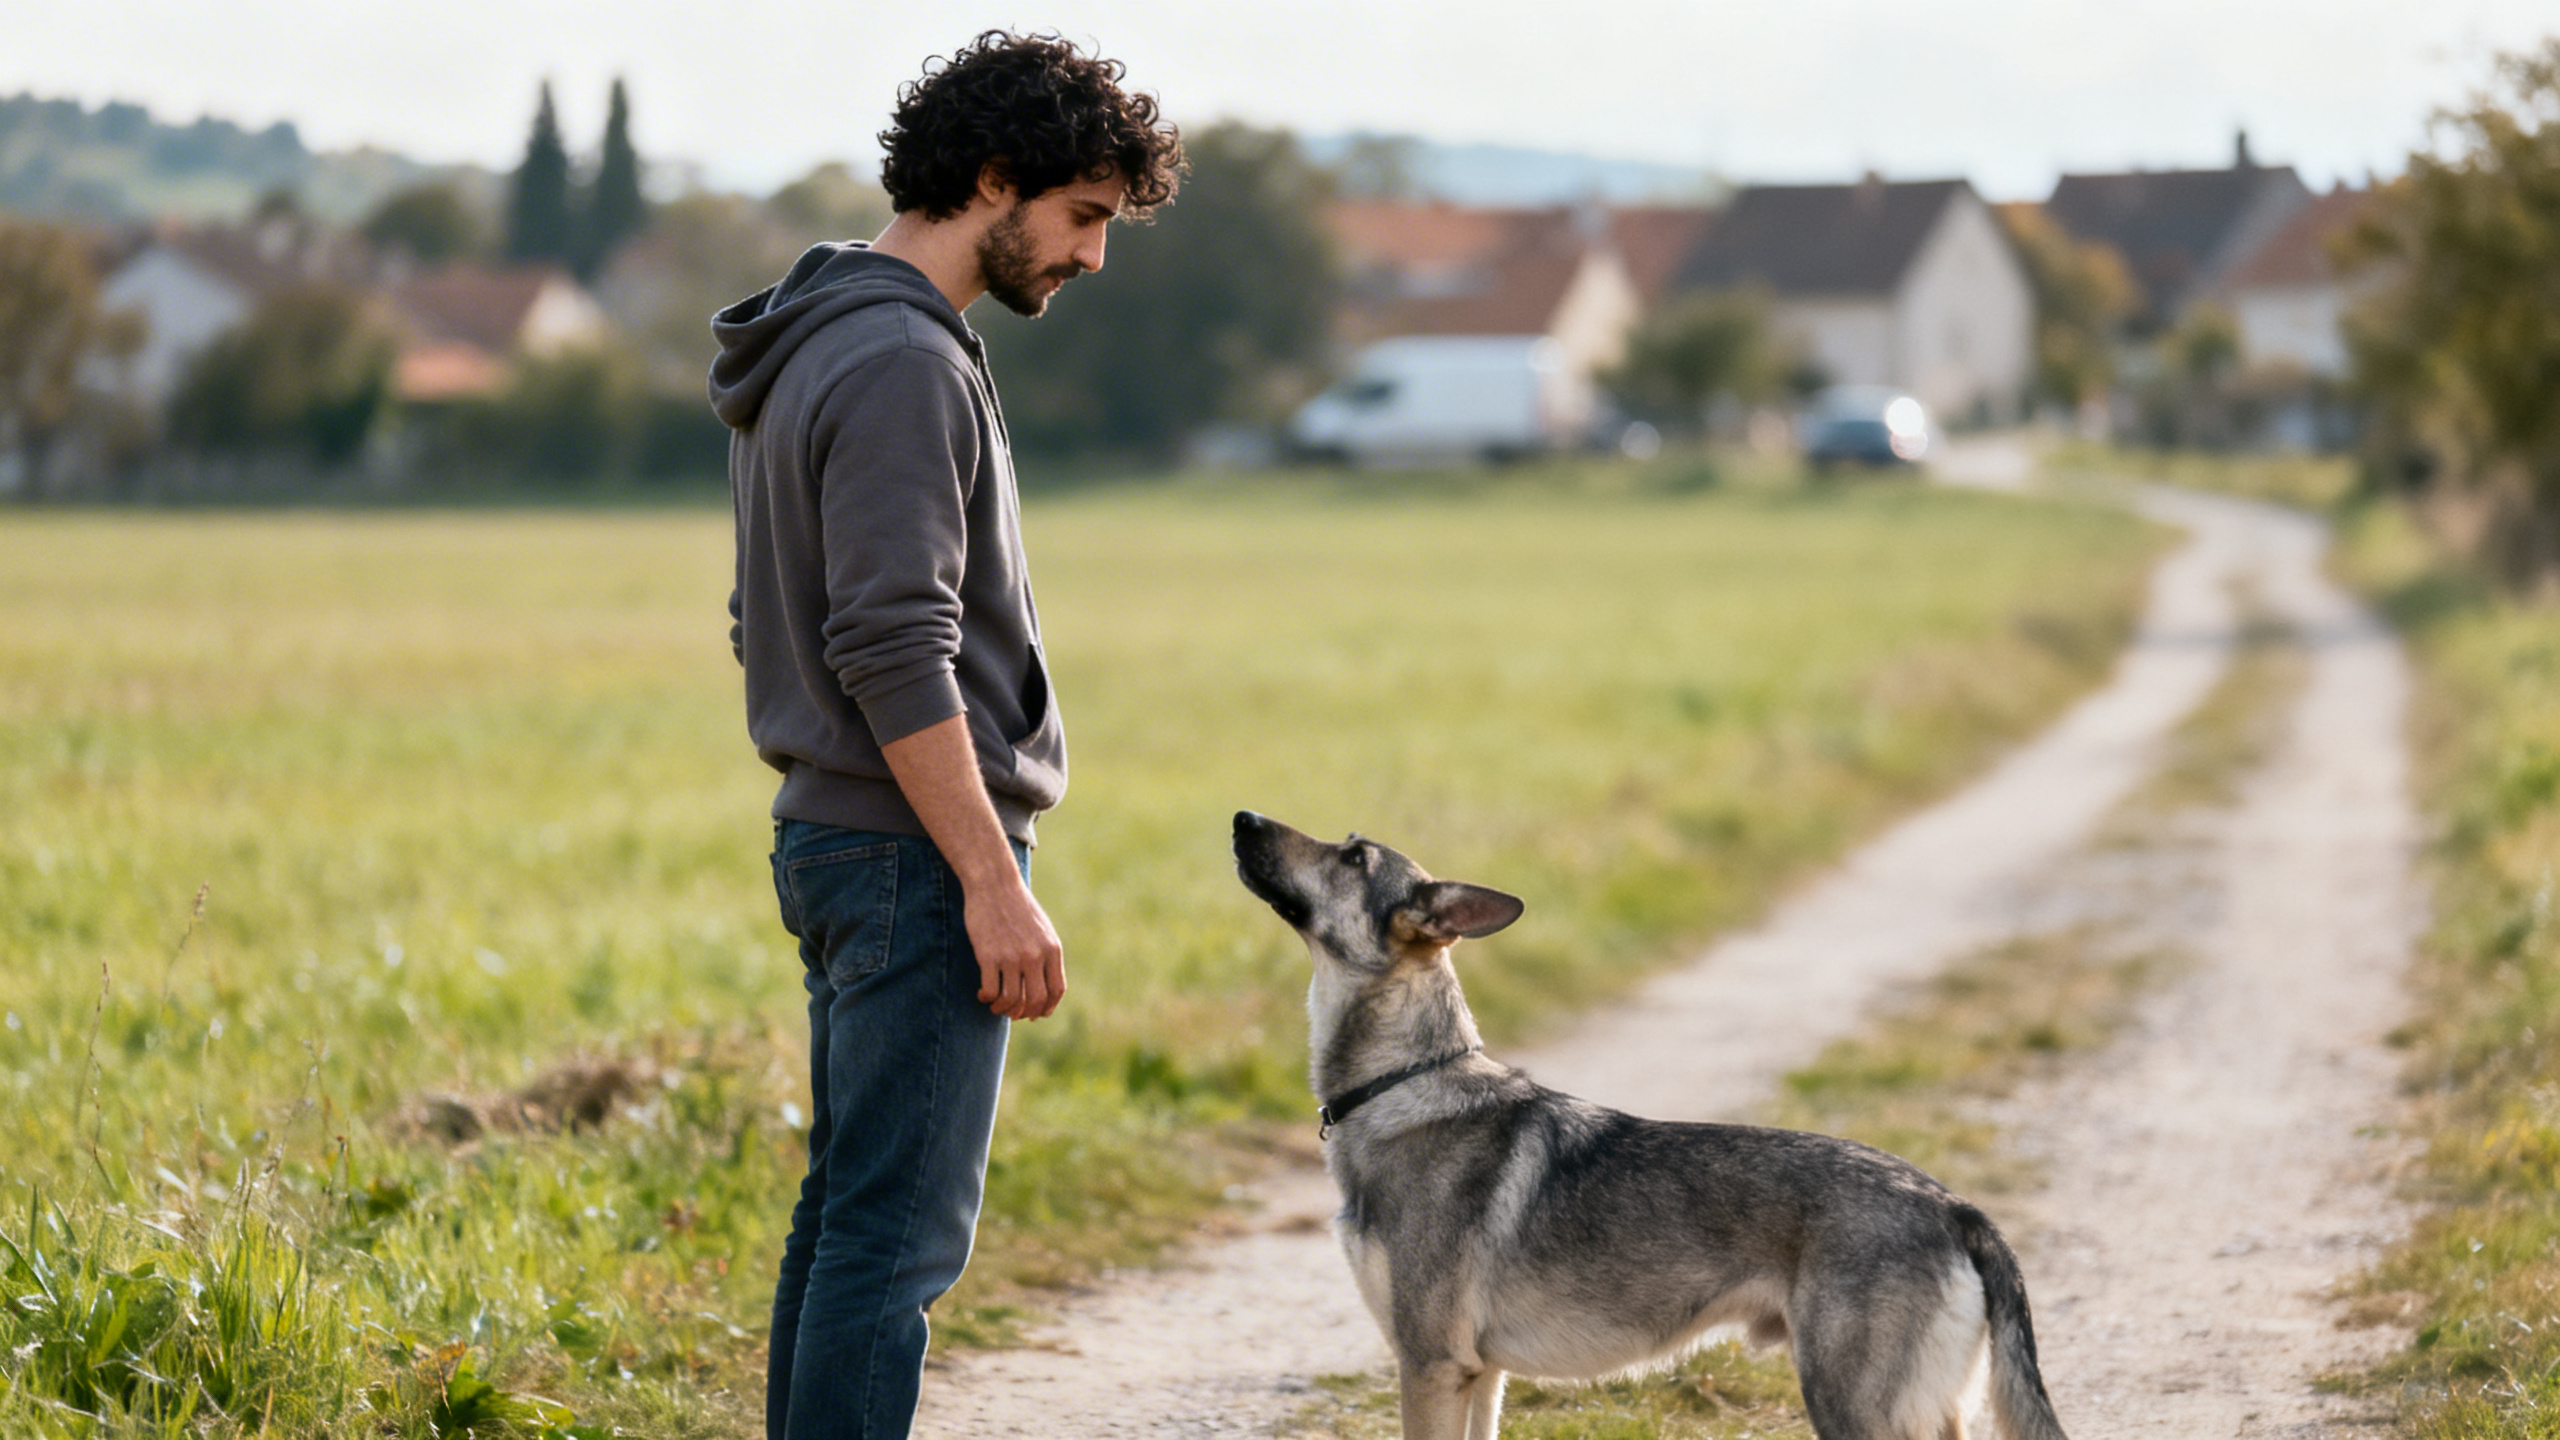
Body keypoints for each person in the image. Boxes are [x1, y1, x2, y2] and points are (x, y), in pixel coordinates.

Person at [706, 30, 1183, 1439]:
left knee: (848, 1222)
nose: (1094, 258)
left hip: (838, 835)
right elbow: (889, 643)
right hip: (912, 859)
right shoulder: (899, 361)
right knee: (893, 1246)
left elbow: (763, 620)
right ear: (991, 181)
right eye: (1085, 217)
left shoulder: (813, 339)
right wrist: (990, 878)